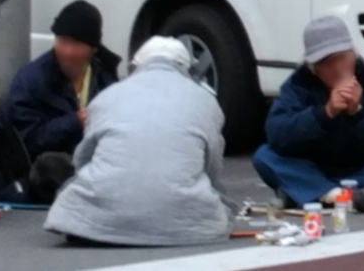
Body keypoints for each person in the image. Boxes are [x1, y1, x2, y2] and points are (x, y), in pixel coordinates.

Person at [44, 37, 233, 247]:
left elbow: (83, 159)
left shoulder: (107, 97)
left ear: (136, 65)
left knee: (70, 191)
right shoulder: (205, 101)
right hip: (185, 222)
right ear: (185, 68)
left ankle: (96, 226)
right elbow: (212, 166)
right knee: (216, 202)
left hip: (103, 213)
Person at [253, 16, 364, 211]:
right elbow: (277, 135)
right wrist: (324, 114)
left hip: (362, 172)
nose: (338, 68)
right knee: (264, 156)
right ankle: (336, 196)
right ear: (315, 69)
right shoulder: (298, 85)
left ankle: (310, 194)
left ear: (353, 54)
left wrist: (359, 113)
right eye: (328, 63)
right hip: (315, 169)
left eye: (342, 58)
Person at [0, 0, 119, 204]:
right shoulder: (31, 79)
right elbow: (25, 143)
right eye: (62, 42)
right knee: (49, 165)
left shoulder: (105, 76)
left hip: (91, 161)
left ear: (93, 48)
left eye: (77, 45)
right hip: (49, 166)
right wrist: (75, 122)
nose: (68, 52)